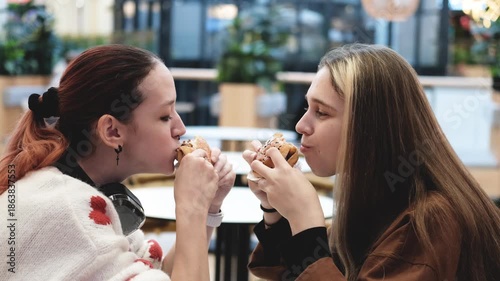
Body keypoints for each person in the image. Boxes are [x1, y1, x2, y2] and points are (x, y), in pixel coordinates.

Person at [243, 43, 500, 281]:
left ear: (370, 127)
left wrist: (306, 218)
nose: (301, 125)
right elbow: (293, 271)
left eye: (321, 112)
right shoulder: (374, 197)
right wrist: (275, 210)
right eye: (307, 109)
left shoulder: (431, 220)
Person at [0, 45, 236, 280]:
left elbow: (159, 274)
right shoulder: (70, 214)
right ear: (112, 131)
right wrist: (191, 208)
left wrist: (207, 208)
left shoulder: (74, 191)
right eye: (165, 116)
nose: (180, 128)